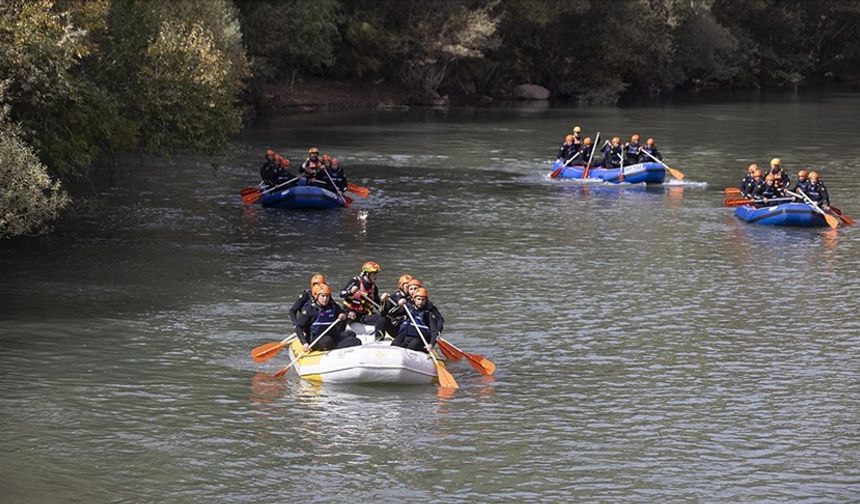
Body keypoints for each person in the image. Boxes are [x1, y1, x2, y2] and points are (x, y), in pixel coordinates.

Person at [295, 283, 360, 351]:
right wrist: (304, 343)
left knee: (353, 337)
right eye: (322, 296)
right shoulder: (309, 309)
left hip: (333, 336)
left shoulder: (333, 306)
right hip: (316, 339)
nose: (325, 299)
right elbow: (298, 327)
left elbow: (343, 313)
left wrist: (346, 315)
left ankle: (340, 350)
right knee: (327, 341)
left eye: (327, 296)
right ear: (316, 296)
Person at [339, 261, 389, 338]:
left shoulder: (374, 287)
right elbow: (341, 294)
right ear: (367, 274)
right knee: (346, 316)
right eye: (374, 274)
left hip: (364, 315)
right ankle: (339, 335)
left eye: (376, 274)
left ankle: (379, 339)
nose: (376, 276)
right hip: (350, 312)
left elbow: (378, 305)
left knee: (381, 319)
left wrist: (384, 301)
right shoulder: (355, 281)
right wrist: (350, 291)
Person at [390, 287, 441, 353]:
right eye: (418, 299)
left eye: (423, 300)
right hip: (406, 336)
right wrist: (399, 305)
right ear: (414, 299)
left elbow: (434, 331)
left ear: (426, 300)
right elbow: (391, 314)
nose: (420, 302)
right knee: (394, 345)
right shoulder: (407, 308)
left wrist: (431, 344)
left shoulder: (428, 313)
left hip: (419, 338)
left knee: (411, 347)